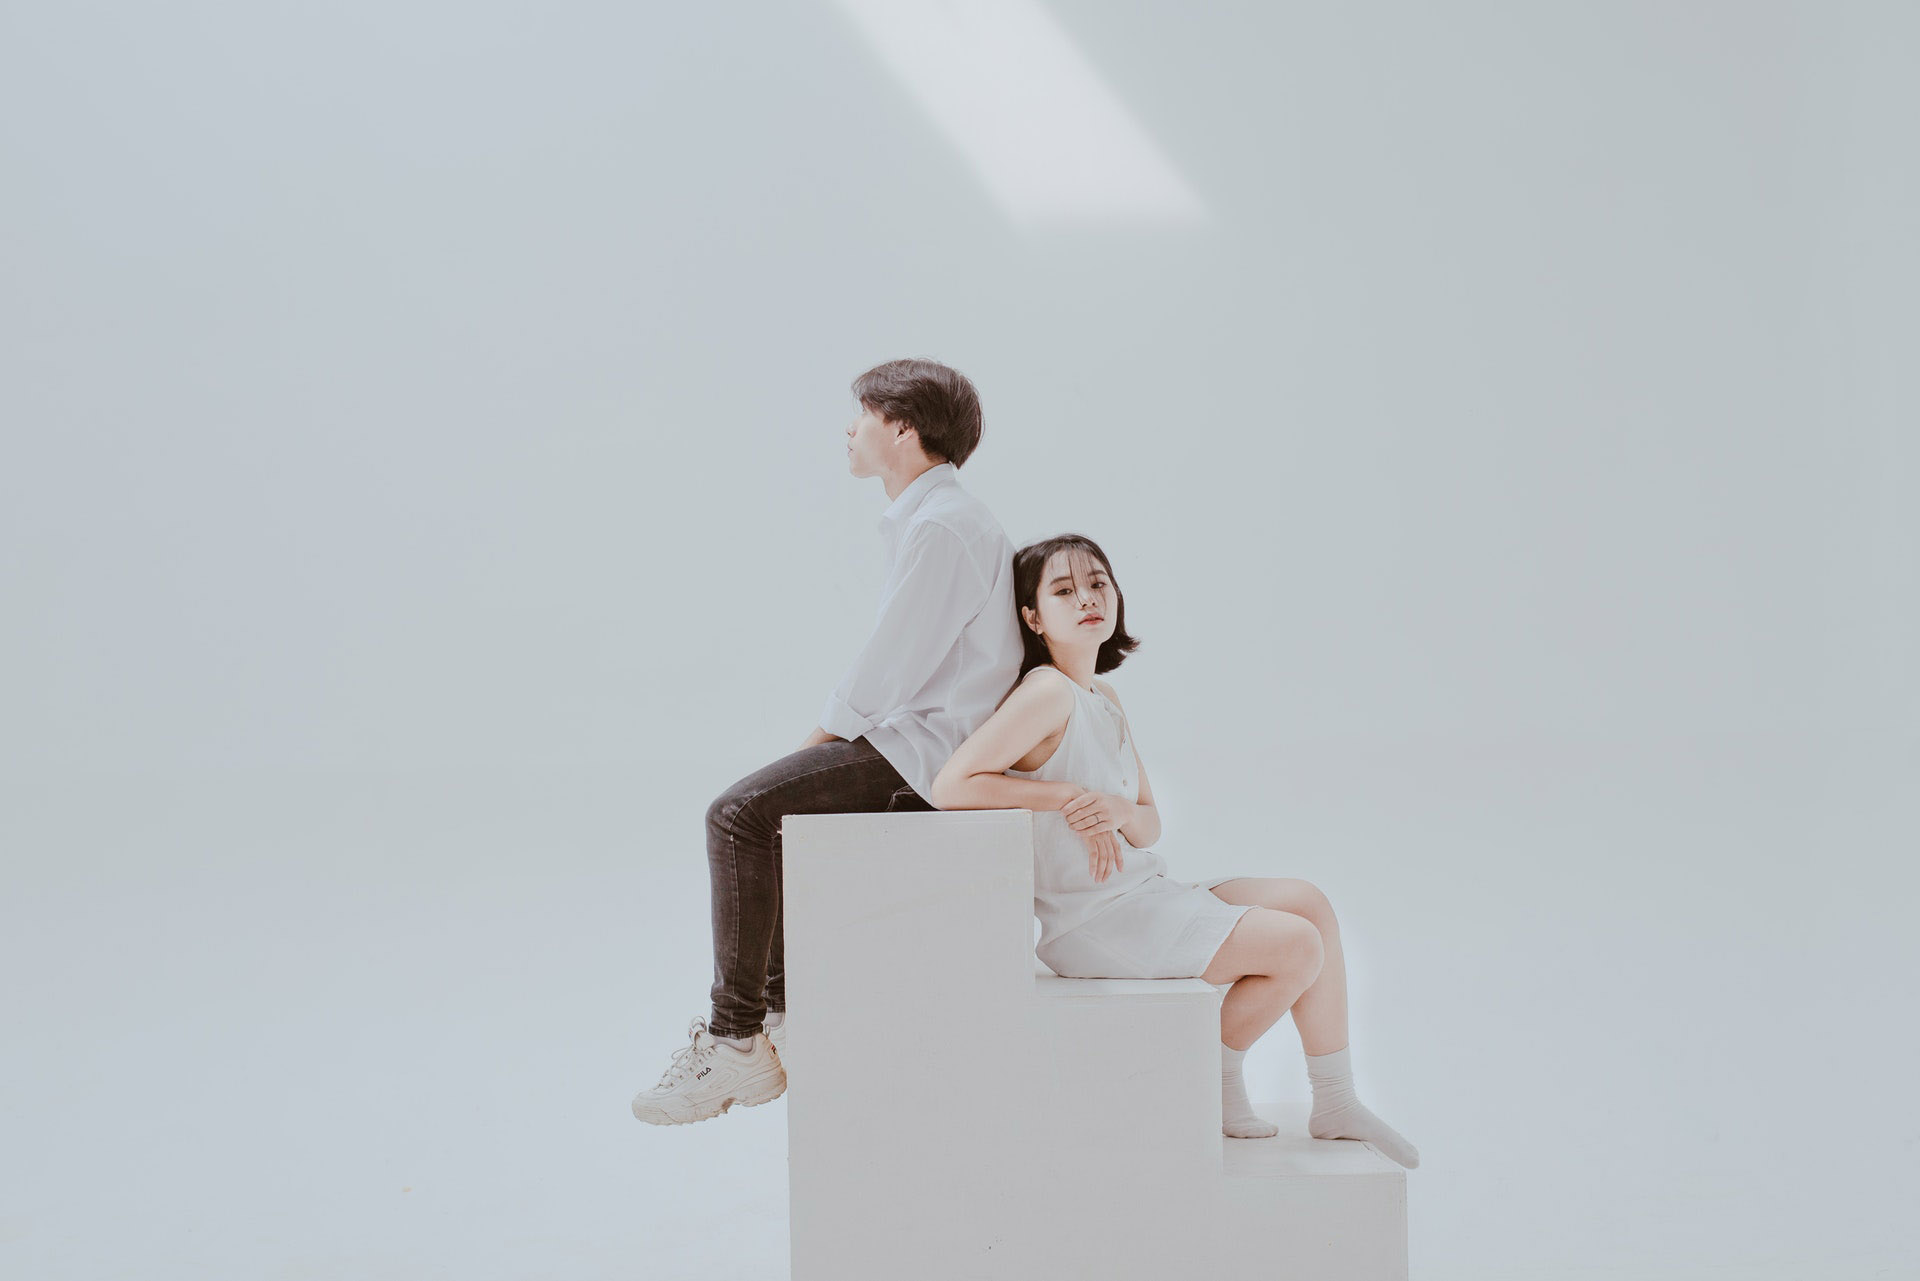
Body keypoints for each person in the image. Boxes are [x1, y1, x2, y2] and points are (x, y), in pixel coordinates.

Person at [929, 534, 1419, 1166]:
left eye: (1098, 583)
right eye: (1063, 590)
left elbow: (1149, 824)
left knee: (1309, 903)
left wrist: (1116, 808)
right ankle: (1210, 1078)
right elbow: (951, 785)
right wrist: (1064, 796)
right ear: (1032, 617)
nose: (1087, 598)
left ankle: (1335, 1098)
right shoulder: (1046, 692)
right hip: (1094, 920)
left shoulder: (1103, 699)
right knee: (1297, 946)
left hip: (1143, 893)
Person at [631, 358, 1023, 1126]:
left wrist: (815, 744)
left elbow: (888, 668)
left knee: (738, 814)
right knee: (765, 817)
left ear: (903, 431)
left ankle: (736, 1038)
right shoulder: (935, 519)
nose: (850, 429)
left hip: (925, 758)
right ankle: (779, 1021)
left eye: (864, 415)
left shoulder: (944, 525)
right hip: (920, 743)